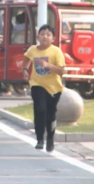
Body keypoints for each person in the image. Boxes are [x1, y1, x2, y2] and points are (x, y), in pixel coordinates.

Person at [21, 24, 65, 152]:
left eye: (48, 34)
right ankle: (40, 139)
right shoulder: (33, 50)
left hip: (54, 88)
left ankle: (50, 139)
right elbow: (26, 59)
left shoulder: (56, 51)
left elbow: (62, 71)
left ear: (53, 38)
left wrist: (48, 65)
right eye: (42, 34)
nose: (45, 36)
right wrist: (24, 70)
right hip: (37, 84)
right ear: (38, 37)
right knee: (40, 110)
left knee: (50, 114)